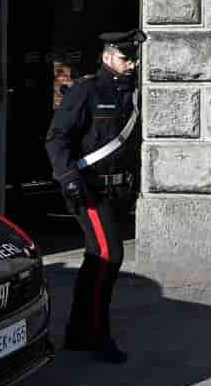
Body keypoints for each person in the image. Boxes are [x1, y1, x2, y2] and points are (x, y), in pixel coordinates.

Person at [44, 29, 146, 364]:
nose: (131, 64)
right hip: (88, 187)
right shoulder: (87, 90)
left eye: (133, 58)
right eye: (124, 57)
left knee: (96, 259)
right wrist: (68, 180)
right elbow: (57, 139)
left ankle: (77, 330)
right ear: (107, 57)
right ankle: (97, 333)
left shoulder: (130, 92)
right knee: (108, 255)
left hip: (116, 189)